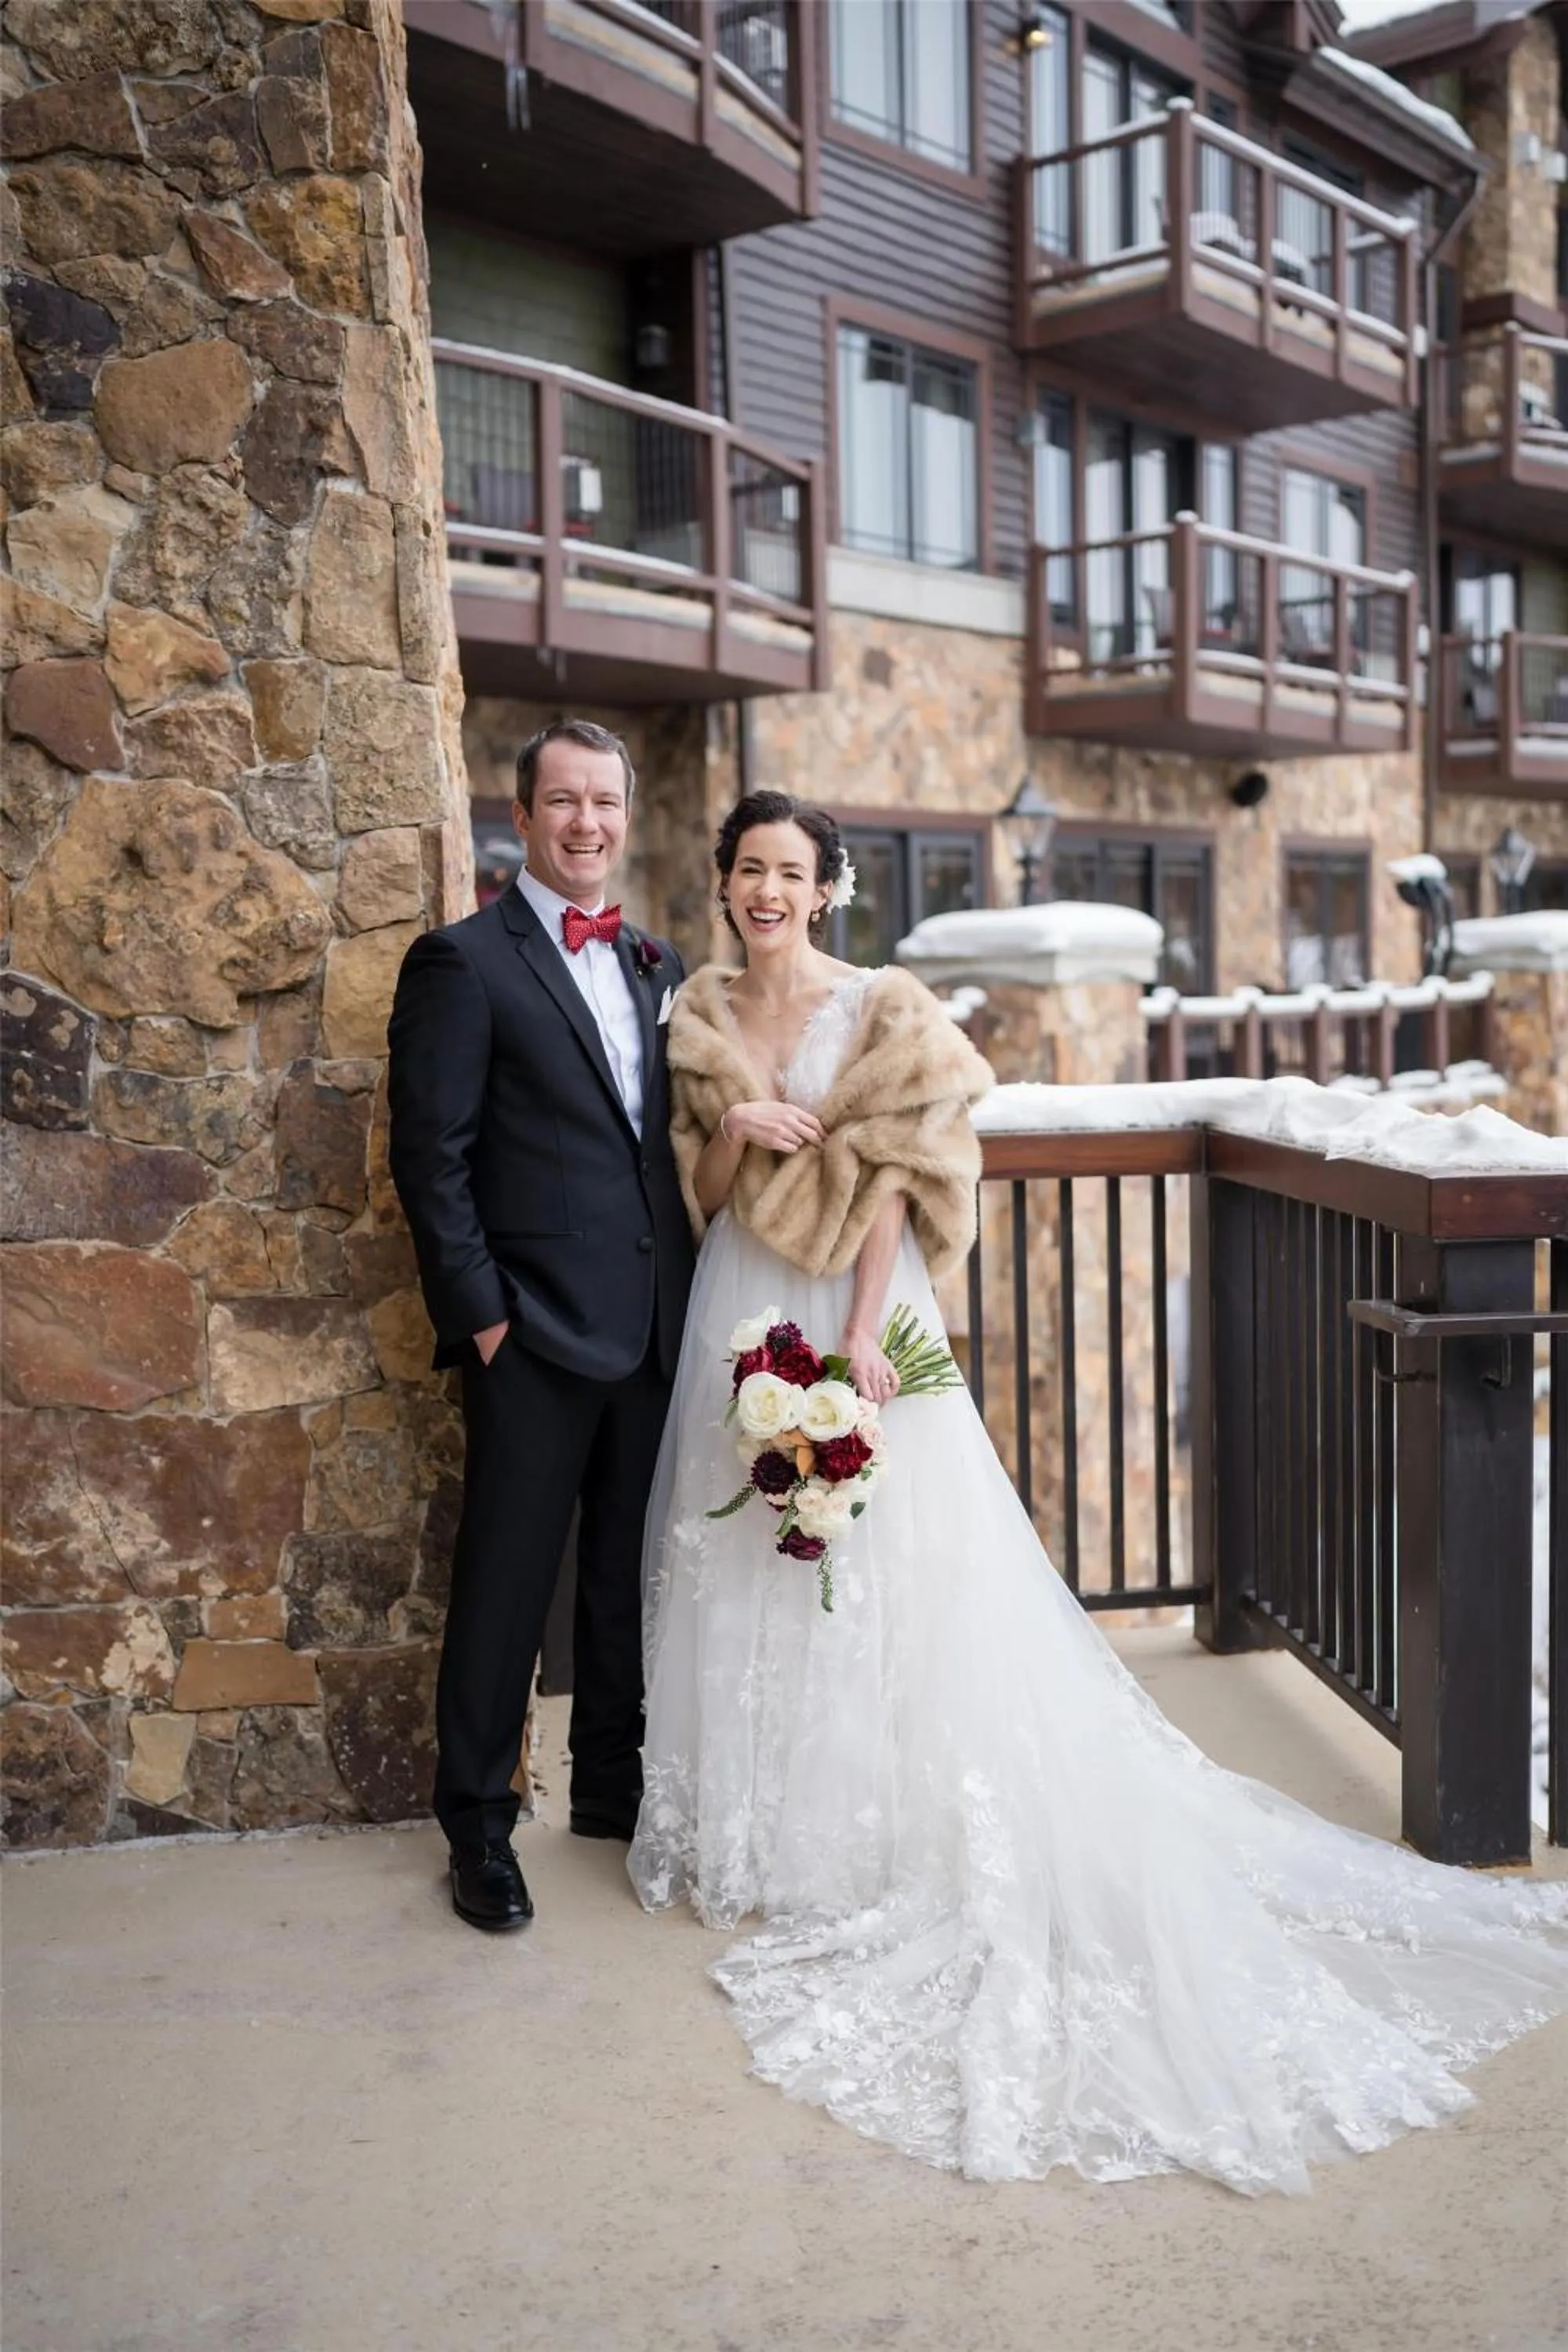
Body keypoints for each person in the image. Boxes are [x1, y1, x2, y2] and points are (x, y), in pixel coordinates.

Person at [629, 788, 1568, 2194]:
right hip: (733, 1297)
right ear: (724, 883)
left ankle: (871, 1829)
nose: (768, 891)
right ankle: (763, 1832)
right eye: (748, 870)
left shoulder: (882, 1006)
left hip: (849, 1309)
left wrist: (857, 1352)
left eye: (791, 873)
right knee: (747, 1551)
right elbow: (702, 1189)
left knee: (889, 1569)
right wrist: (743, 1129)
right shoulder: (697, 1013)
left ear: (828, 891)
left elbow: (896, 1179)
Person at [388, 718, 693, 1932]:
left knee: (625, 1580)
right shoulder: (462, 963)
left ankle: (612, 1800)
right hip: (533, 1338)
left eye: (604, 802)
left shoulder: (657, 966)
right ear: (523, 816)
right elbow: (432, 1160)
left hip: (652, 1329)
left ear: (625, 815)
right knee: (506, 1587)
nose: (586, 823)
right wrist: (486, 1325)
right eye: (562, 801)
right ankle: (477, 1829)